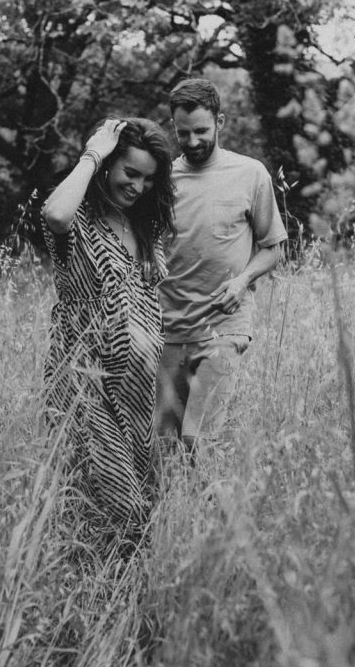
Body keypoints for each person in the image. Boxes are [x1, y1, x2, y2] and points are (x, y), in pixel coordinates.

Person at [39, 117, 176, 534]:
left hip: (141, 391)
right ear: (107, 166)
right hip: (88, 379)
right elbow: (55, 214)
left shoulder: (143, 226)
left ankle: (122, 591)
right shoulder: (78, 220)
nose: (137, 187)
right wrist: (93, 153)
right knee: (120, 504)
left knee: (147, 503)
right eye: (129, 173)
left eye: (148, 179)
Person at [155, 79, 287, 456]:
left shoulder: (250, 174)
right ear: (172, 127)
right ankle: (173, 514)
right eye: (184, 133)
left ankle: (205, 512)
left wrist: (243, 281)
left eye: (201, 131)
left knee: (199, 440)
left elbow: (274, 247)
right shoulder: (162, 180)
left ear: (221, 122)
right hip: (168, 328)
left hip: (223, 326)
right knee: (165, 445)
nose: (193, 141)